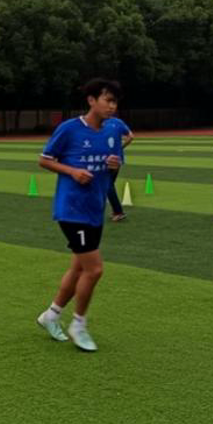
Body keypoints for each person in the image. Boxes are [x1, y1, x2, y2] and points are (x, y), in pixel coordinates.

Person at [34, 79, 129, 352]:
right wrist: (73, 172)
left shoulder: (113, 129)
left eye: (115, 101)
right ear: (91, 100)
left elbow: (112, 167)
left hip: (94, 208)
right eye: (107, 100)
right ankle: (79, 324)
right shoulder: (70, 129)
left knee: (79, 267)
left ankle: (51, 315)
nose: (112, 106)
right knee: (94, 269)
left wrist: (114, 165)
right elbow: (44, 160)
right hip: (71, 208)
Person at [103, 115, 134, 222]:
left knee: (107, 186)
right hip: (118, 159)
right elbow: (130, 137)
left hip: (105, 160)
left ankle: (118, 212)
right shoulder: (118, 122)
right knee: (108, 185)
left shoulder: (98, 123)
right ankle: (116, 211)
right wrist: (120, 148)